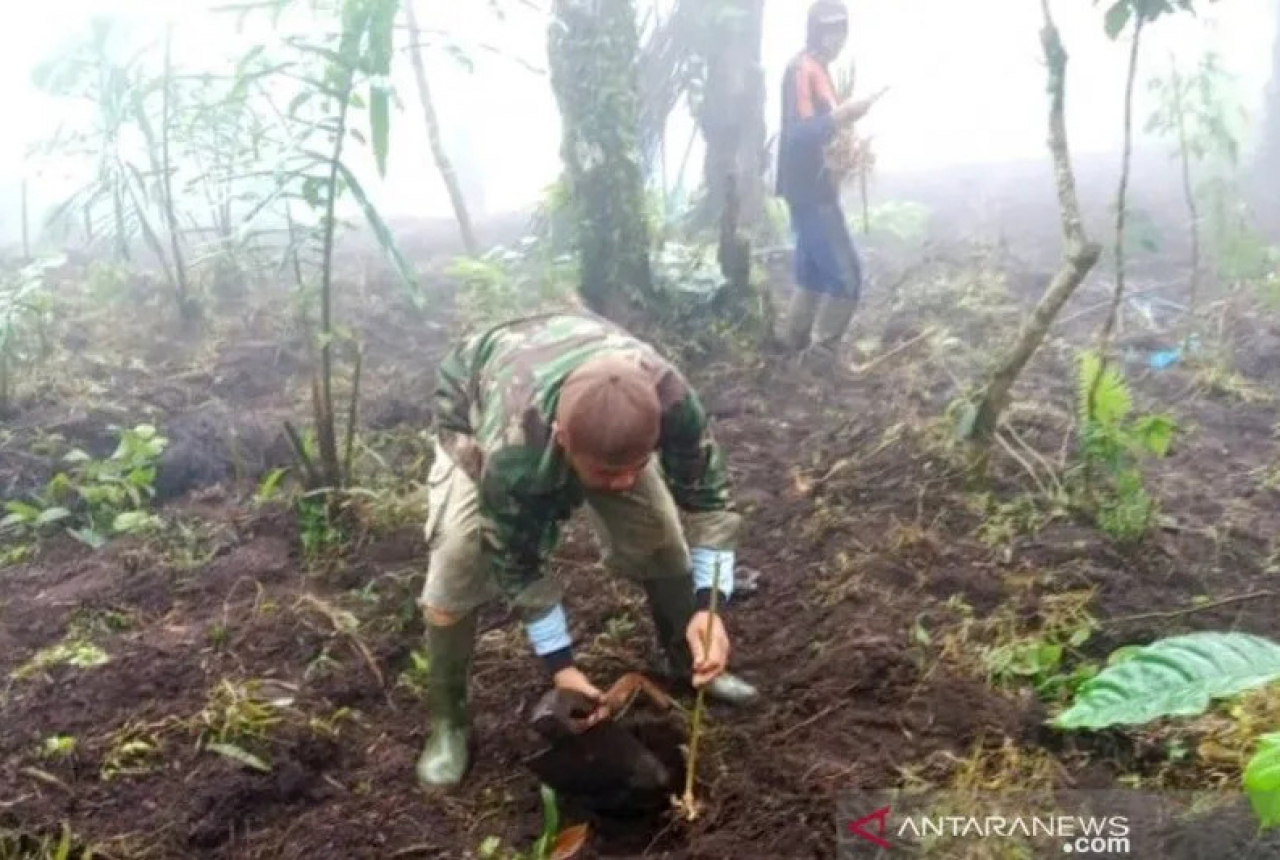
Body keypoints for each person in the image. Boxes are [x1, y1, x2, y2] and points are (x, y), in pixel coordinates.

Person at [415, 311, 760, 789]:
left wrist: (710, 606)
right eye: (604, 475)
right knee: (459, 561)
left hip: (584, 379)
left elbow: (709, 500)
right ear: (563, 441)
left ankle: (689, 656)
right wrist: (563, 668)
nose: (621, 485)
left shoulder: (671, 399)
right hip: (479, 399)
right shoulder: (513, 451)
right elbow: (518, 561)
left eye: (634, 467)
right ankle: (448, 723)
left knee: (659, 534)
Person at [776, 0, 885, 362]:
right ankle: (821, 359)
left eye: (841, 32)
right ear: (815, 31)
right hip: (809, 192)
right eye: (829, 31)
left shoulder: (818, 70)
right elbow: (796, 135)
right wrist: (841, 116)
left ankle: (792, 346)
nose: (835, 40)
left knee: (812, 274)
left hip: (816, 189)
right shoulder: (800, 69)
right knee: (846, 276)